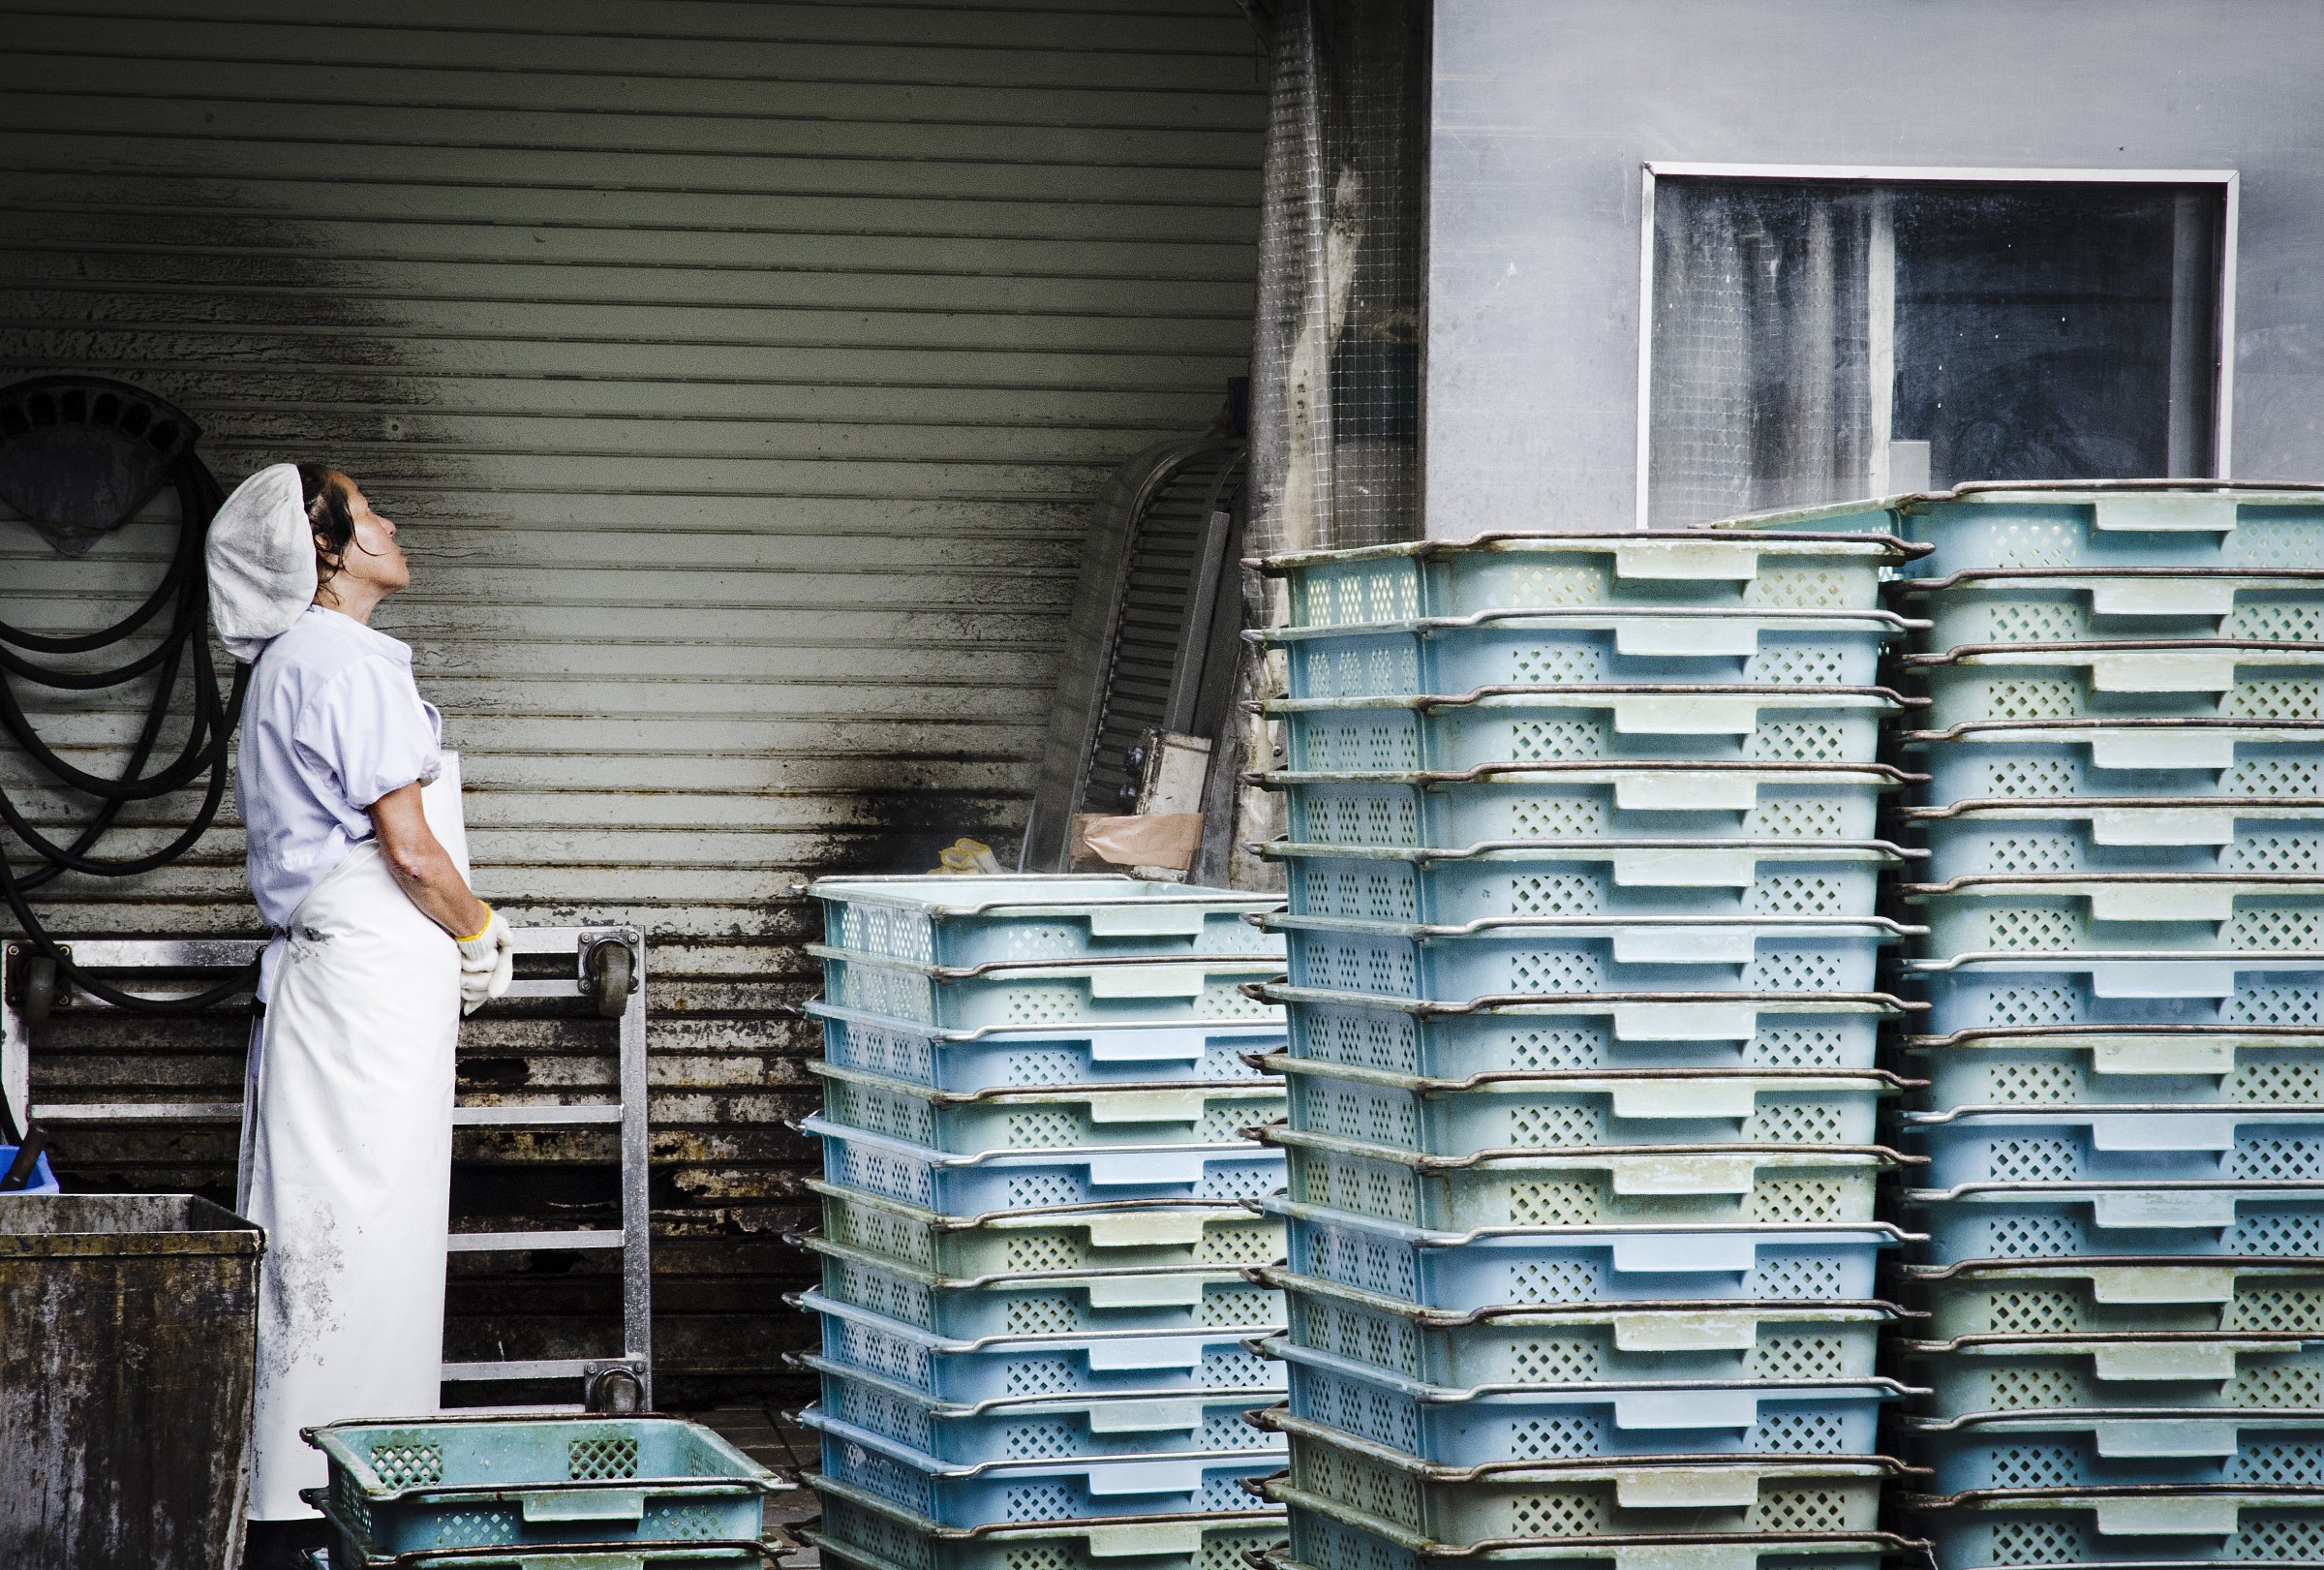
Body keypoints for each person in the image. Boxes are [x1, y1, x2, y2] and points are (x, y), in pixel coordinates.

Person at [205, 463, 515, 1570]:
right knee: (366, 1248)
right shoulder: (347, 661)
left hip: (331, 978)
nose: (391, 522)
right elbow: (412, 849)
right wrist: (479, 933)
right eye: (368, 512)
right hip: (371, 979)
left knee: (318, 1243)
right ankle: (347, 1510)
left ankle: (302, 1503)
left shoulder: (293, 665)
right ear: (326, 552)